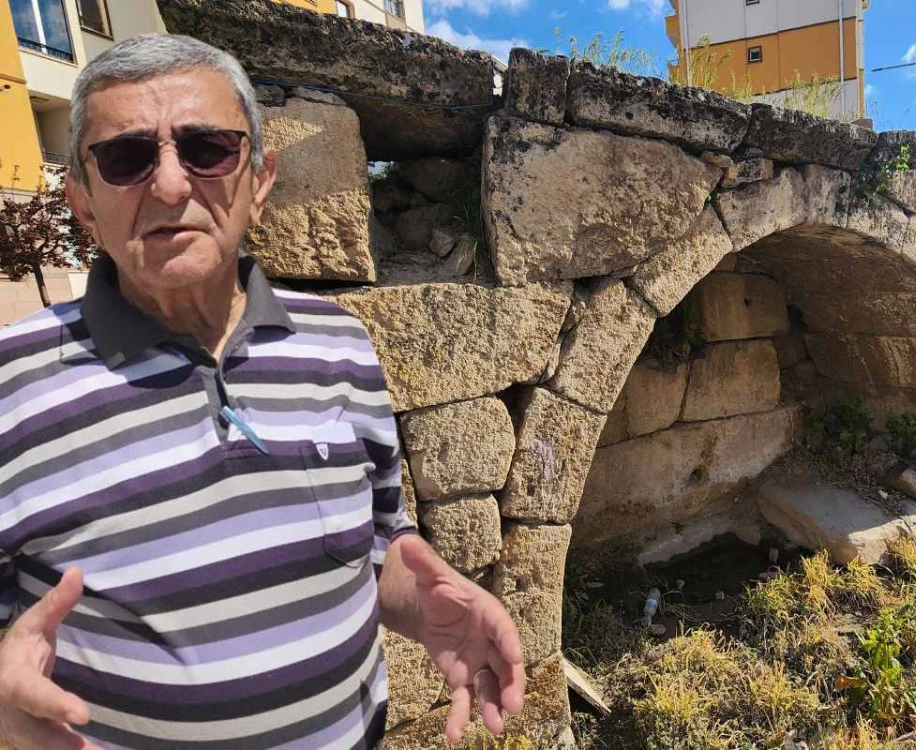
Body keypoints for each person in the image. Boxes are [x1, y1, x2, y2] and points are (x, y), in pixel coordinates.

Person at [0, 34, 524, 750]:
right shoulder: (14, 383)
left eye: (207, 149)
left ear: (260, 179)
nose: (171, 186)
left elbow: (376, 540)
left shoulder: (338, 343)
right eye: (126, 158)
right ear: (83, 199)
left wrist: (429, 603)